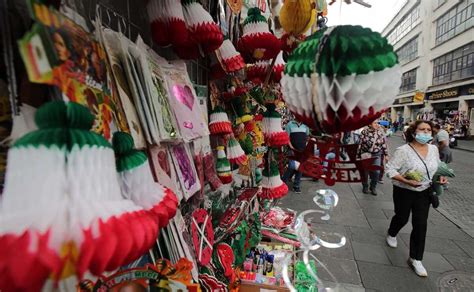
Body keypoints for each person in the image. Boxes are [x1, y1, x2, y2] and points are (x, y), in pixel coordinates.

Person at [385, 120, 448, 277]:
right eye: (422, 129)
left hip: (424, 191)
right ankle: (392, 233)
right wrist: (406, 181)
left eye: (428, 130)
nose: (426, 132)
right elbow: (390, 169)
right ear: (414, 132)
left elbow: (437, 166)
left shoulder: (433, 149)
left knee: (420, 224)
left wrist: (441, 177)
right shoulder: (403, 150)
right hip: (404, 190)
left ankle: (416, 258)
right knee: (402, 217)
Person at [358, 119, 389, 195]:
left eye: (377, 123)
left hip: (377, 154)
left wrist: (386, 154)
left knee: (377, 172)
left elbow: (384, 144)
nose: (377, 124)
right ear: (370, 124)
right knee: (365, 172)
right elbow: (360, 144)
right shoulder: (364, 132)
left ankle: (373, 187)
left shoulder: (380, 133)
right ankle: (365, 186)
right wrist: (358, 156)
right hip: (366, 154)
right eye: (375, 123)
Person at [282, 120, 309, 193]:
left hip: (302, 150)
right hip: (292, 149)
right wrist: (291, 147)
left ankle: (296, 186)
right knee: (291, 166)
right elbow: (287, 138)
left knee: (300, 167)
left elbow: (306, 137)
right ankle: (283, 181)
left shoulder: (305, 125)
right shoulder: (289, 125)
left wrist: (306, 146)